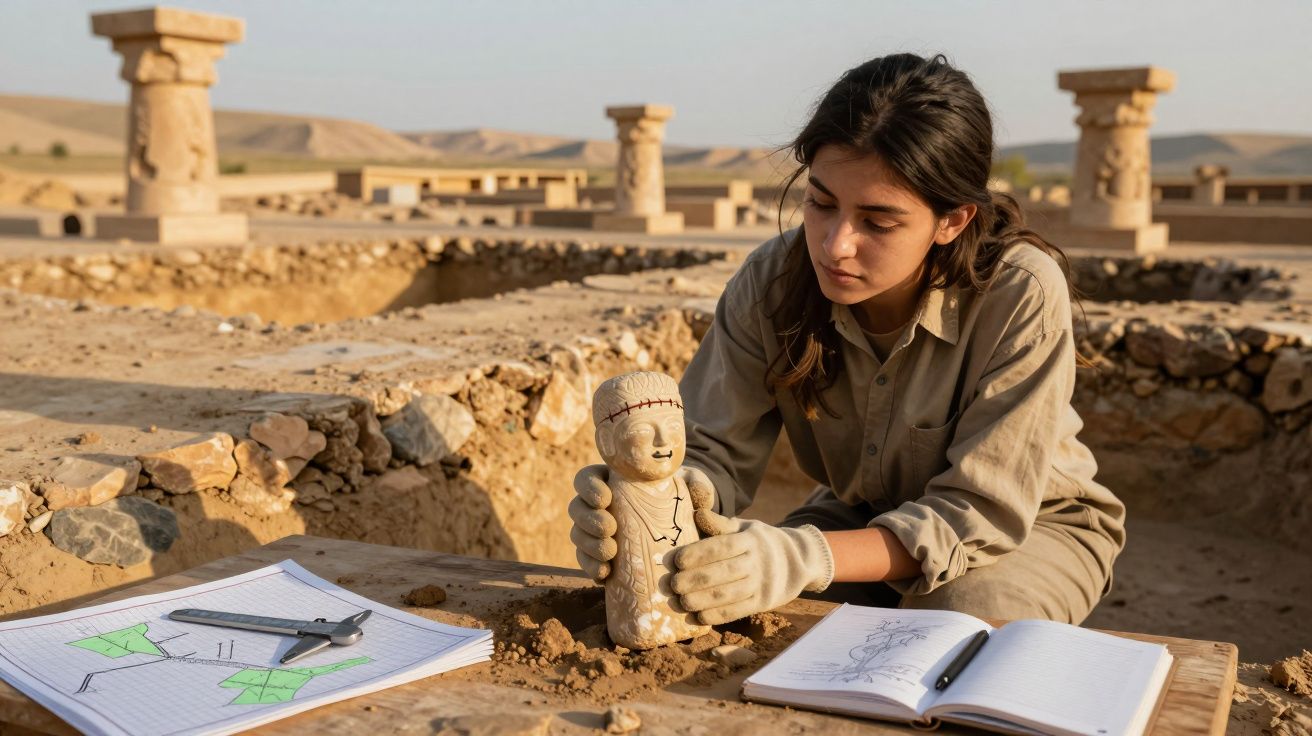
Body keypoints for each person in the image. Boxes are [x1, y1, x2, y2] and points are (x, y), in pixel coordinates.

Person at [569, 52, 1125, 627]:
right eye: (821, 203)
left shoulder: (1020, 292)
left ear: (952, 220)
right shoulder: (772, 282)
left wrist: (802, 556)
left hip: (1031, 527)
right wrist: (649, 500)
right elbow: (711, 452)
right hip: (862, 516)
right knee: (718, 601)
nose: (835, 245)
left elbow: (980, 513)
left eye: (878, 222)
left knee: (955, 623)